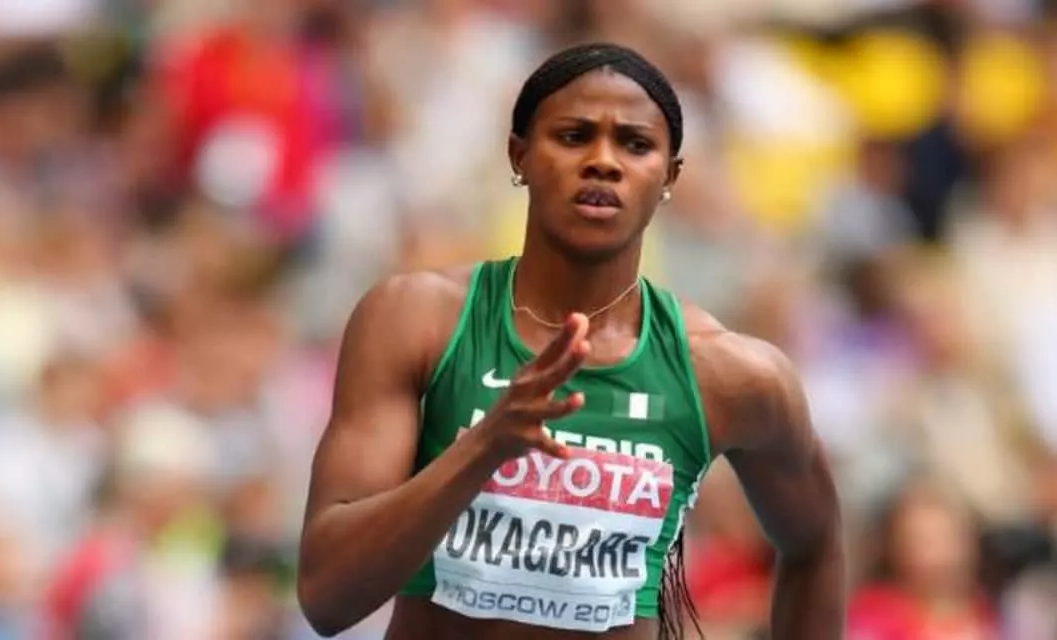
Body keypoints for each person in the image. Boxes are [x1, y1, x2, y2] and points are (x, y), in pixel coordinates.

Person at [297, 43, 846, 639]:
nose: (603, 161)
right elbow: (327, 597)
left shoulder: (727, 372)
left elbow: (815, 543)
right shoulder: (416, 319)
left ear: (669, 176)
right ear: (520, 155)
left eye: (635, 144)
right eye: (574, 136)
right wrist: (483, 448)